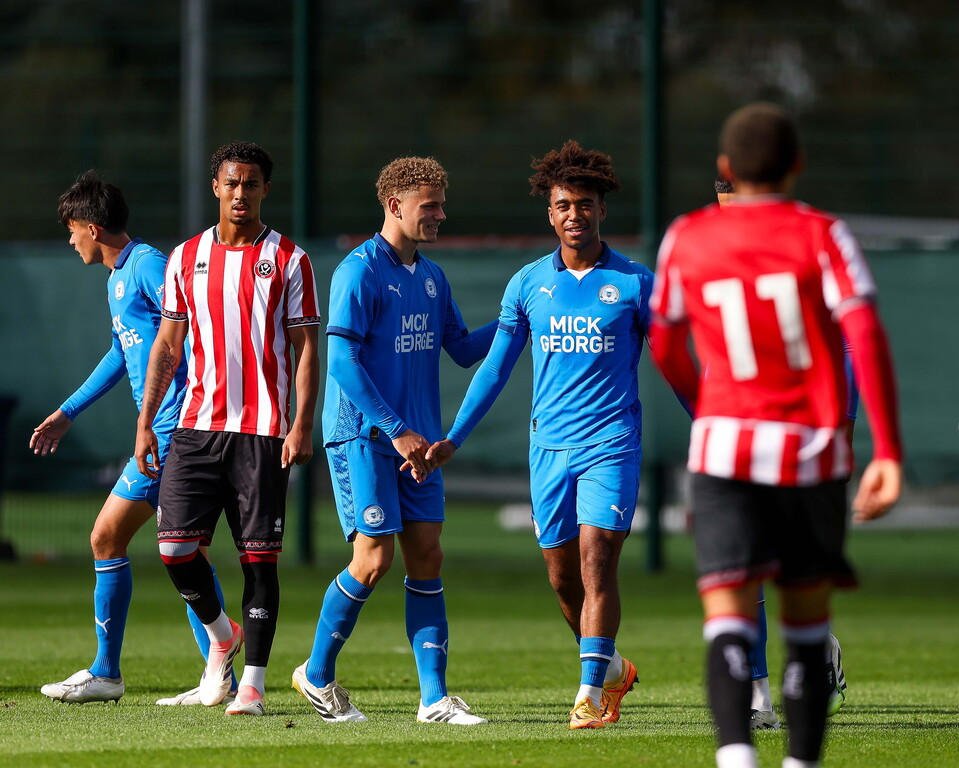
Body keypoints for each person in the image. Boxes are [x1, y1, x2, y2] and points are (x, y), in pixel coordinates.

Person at [650, 103, 902, 768]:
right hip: (811, 452)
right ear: (797, 165)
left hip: (725, 449)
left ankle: (737, 756)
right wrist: (891, 452)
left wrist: (709, 406)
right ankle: (801, 761)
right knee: (807, 629)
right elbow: (866, 334)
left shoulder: (686, 237)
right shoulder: (825, 234)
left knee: (728, 619)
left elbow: (665, 340)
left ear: (726, 169)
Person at [419, 140, 656, 730]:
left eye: (584, 203)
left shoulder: (634, 283)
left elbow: (674, 362)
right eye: (562, 205)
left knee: (598, 559)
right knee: (562, 578)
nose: (574, 214)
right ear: (549, 214)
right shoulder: (528, 284)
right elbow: (495, 367)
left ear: (602, 209)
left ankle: (588, 696)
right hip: (547, 449)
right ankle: (611, 670)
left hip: (611, 442)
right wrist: (453, 438)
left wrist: (707, 417)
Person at [291, 156, 495, 726]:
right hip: (363, 437)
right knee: (374, 558)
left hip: (418, 447)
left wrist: (516, 321)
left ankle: (433, 699)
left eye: (440, 204)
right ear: (394, 205)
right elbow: (342, 363)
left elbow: (459, 347)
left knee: (426, 558)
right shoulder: (358, 271)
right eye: (429, 206)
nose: (440, 215)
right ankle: (316, 672)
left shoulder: (431, 275)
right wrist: (396, 429)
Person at [134, 141, 321, 717]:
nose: (241, 194)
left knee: (258, 560)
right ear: (216, 186)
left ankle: (254, 686)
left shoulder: (289, 258)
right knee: (173, 547)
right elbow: (167, 344)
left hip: (264, 432)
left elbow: (307, 346)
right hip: (195, 427)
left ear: (266, 189)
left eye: (252, 184)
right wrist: (146, 423)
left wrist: (300, 424)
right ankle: (221, 632)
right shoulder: (184, 257)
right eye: (231, 183)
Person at [32, 170, 233, 704]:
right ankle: (218, 671)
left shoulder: (148, 266)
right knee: (184, 550)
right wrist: (67, 411)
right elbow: (123, 352)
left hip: (174, 431)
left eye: (72, 229)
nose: (70, 240)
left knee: (107, 537)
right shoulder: (118, 277)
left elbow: (190, 336)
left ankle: (106, 673)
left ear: (93, 228)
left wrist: (179, 416)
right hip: (168, 429)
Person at [713, 175, 849, 730]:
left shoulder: (805, 245)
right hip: (738, 433)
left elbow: (845, 340)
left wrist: (842, 424)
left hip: (801, 435)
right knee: (740, 567)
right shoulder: (707, 250)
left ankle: (817, 656)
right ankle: (759, 693)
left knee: (789, 571)